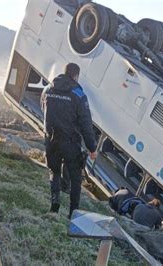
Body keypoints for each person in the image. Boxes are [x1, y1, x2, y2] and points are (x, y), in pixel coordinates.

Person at [42, 63, 97, 218]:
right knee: (75, 178)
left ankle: (54, 205)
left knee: (54, 171)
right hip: (70, 142)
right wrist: (92, 148)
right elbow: (86, 124)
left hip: (51, 140)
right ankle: (73, 213)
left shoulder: (48, 89)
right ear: (76, 76)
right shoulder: (78, 94)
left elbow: (43, 109)